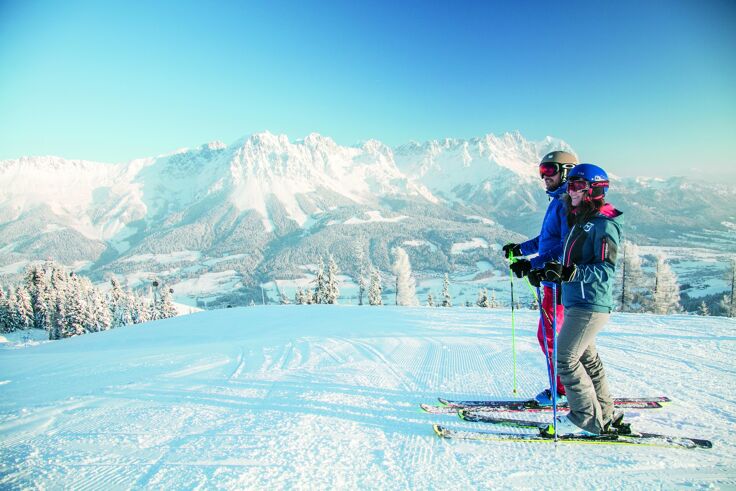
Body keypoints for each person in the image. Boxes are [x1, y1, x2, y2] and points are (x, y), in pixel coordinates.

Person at [530, 163, 623, 436]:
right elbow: (567, 260)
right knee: (588, 360)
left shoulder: (604, 223)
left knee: (565, 359)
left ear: (594, 189)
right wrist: (546, 272)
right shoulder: (581, 219)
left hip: (590, 304)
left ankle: (585, 418)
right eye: (570, 185)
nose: (571, 191)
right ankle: (605, 414)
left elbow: (606, 269)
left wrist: (570, 272)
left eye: (577, 186)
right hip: (577, 302)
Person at [502, 151, 577, 406]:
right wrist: (520, 250)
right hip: (548, 281)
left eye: (549, 170)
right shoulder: (557, 200)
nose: (544, 176)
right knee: (549, 337)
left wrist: (532, 263)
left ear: (566, 170)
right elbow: (546, 241)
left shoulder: (567, 202)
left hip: (557, 282)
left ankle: (564, 391)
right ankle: (565, 388)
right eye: (541, 171)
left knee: (550, 337)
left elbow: (566, 245)